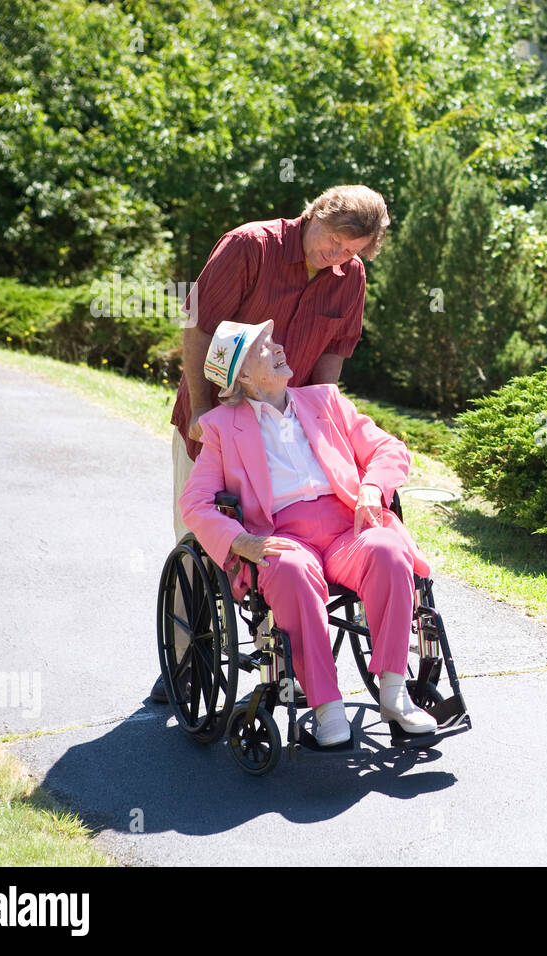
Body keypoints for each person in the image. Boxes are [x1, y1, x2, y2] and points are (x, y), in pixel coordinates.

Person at [153, 184, 388, 704]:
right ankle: (185, 659)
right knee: (201, 538)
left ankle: (280, 669)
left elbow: (331, 360)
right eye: (333, 240)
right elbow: (197, 327)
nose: (337, 256)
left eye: (351, 251)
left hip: (284, 427)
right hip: (213, 419)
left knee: (275, 537)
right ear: (317, 215)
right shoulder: (249, 246)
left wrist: (327, 430)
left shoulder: (348, 278)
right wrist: (205, 412)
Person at [179, 320, 437, 744]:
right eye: (265, 346)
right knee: (288, 568)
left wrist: (372, 488)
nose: (279, 347)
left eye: (275, 340)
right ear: (242, 375)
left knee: (389, 549)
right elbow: (195, 503)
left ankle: (394, 692)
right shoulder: (223, 427)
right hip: (284, 534)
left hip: (345, 528)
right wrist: (242, 542)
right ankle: (326, 708)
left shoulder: (326, 400)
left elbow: (389, 448)